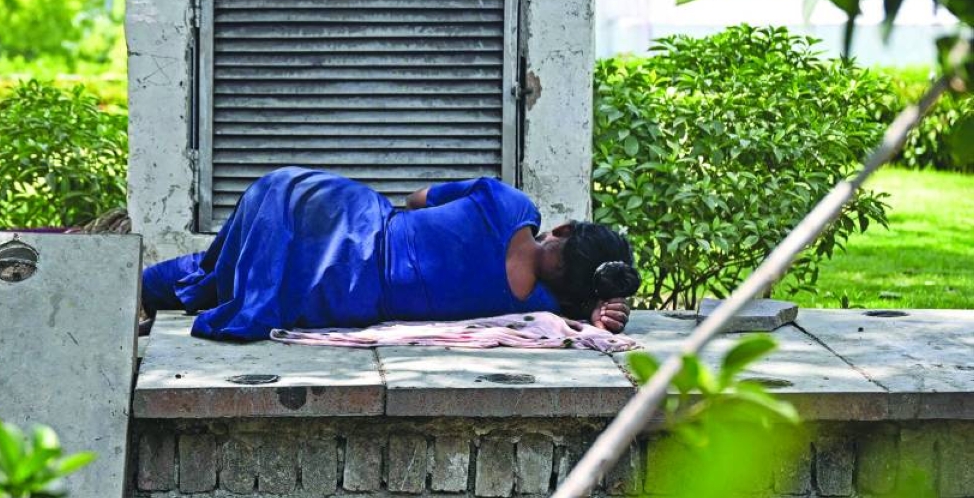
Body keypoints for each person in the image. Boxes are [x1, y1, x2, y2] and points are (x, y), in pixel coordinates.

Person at [141, 167, 639, 341]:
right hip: (350, 295)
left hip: (351, 222)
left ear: (564, 229)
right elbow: (577, 320)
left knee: (230, 256)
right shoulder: (537, 307)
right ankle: (165, 286)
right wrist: (593, 313)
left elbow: (416, 199)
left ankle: (140, 286)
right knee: (233, 273)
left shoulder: (509, 203)